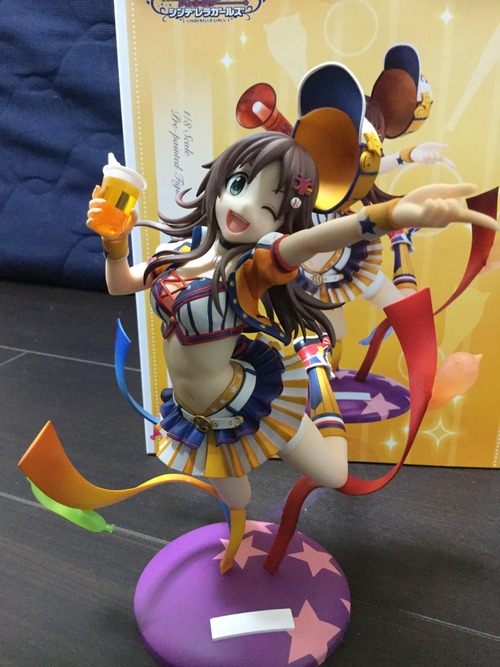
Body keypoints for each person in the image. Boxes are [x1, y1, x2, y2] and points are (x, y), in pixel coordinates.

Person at [19, 131, 498, 572]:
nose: (244, 206)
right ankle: (236, 543)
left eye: (269, 207)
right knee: (236, 495)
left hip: (248, 401)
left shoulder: (249, 271)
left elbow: (308, 242)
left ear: (280, 224)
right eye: (239, 184)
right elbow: (120, 283)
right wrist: (114, 242)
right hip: (195, 414)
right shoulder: (175, 256)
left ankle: (318, 375)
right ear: (221, 181)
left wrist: (386, 218)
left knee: (334, 473)